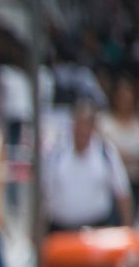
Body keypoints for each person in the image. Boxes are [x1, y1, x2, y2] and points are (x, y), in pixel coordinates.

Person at [44, 99, 135, 231]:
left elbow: (122, 193)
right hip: (63, 230)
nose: (82, 130)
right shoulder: (57, 153)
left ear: (93, 128)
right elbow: (44, 195)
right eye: (79, 125)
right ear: (73, 126)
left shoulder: (105, 152)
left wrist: (128, 230)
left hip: (98, 227)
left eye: (86, 125)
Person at [99, 76, 139, 208]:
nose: (124, 100)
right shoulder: (104, 123)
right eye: (121, 96)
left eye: (128, 96)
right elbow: (104, 153)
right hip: (111, 187)